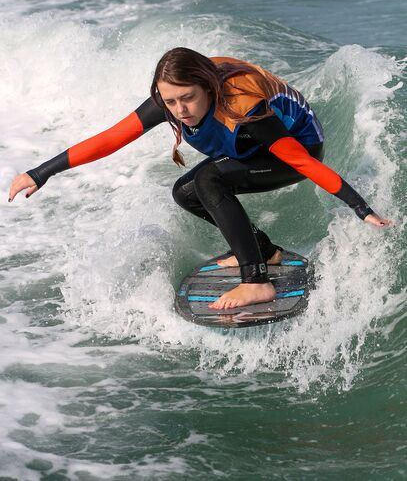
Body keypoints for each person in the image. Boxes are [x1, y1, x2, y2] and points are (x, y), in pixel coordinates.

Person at [8, 47, 391, 311]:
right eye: (170, 102)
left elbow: (301, 161)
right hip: (248, 146)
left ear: (207, 87)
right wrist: (39, 173)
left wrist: (361, 208)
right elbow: (110, 139)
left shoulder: (243, 106)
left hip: (294, 147)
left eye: (187, 99)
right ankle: (264, 250)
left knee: (208, 179)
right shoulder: (171, 97)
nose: (179, 110)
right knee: (186, 191)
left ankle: (256, 280)